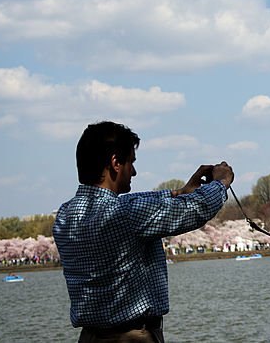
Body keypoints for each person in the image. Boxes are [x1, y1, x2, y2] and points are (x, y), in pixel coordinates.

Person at [53, 121, 234, 342]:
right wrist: (221, 183)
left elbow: (131, 202)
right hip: (131, 336)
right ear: (115, 163)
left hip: (90, 337)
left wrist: (181, 191)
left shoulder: (64, 215)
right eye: (131, 162)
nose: (134, 172)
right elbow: (195, 210)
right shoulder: (126, 215)